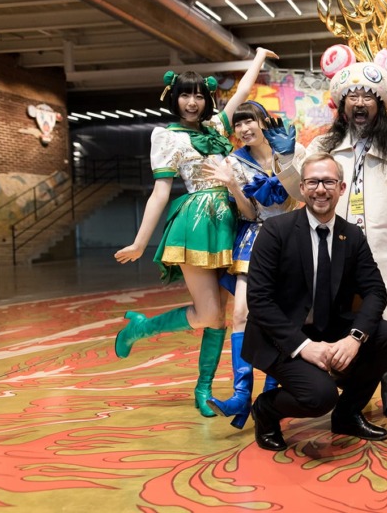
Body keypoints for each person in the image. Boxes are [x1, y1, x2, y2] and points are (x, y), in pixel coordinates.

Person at [275, 46, 387, 432]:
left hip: (379, 255)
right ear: (341, 102)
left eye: (369, 96)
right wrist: (288, 160)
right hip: (329, 252)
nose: (360, 102)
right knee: (334, 321)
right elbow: (300, 190)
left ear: (381, 103)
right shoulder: (322, 147)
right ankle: (341, 394)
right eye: (353, 95)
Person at [113, 48, 276, 418]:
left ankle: (204, 389)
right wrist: (140, 241)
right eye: (185, 95)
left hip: (232, 222)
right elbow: (159, 193)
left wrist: (259, 57)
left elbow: (241, 94)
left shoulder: (218, 126)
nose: (192, 102)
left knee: (222, 312)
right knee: (208, 314)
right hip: (198, 223)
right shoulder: (166, 137)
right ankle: (140, 329)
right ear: (174, 98)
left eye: (199, 95)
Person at [242, 154, 387, 451]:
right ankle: (266, 409)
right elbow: (259, 300)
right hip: (281, 337)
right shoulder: (276, 231)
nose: (320, 189)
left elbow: (376, 291)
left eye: (328, 182)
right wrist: (304, 347)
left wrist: (354, 339)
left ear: (341, 188)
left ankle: (347, 414)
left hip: (328, 328)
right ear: (302, 188)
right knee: (319, 396)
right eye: (313, 182)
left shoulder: (351, 235)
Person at [202, 101, 304, 429]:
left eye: (250, 121)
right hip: (255, 237)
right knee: (241, 313)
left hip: (290, 238)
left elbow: (299, 196)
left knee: (284, 317)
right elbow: (248, 213)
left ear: (263, 121)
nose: (245, 129)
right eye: (239, 124)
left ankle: (271, 392)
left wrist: (288, 160)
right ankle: (240, 394)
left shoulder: (290, 149)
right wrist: (232, 184)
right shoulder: (234, 162)